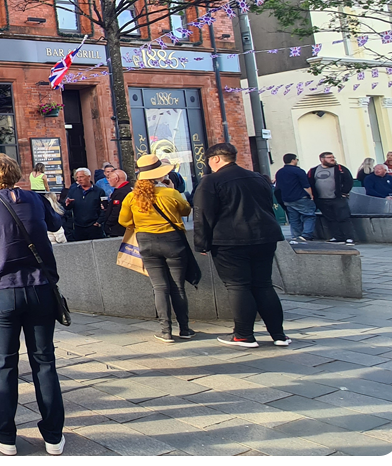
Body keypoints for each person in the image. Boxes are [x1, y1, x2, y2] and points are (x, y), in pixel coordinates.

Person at [0, 154, 66, 457]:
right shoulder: (35, 199)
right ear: (16, 174)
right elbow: (56, 222)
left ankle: (5, 436)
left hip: (1, 290)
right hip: (40, 288)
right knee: (44, 361)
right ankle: (53, 436)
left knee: (4, 362)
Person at [193, 143, 290, 349]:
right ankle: (279, 334)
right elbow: (268, 206)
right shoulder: (257, 177)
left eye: (209, 160)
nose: (209, 165)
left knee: (238, 285)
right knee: (264, 284)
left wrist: (201, 243)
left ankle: (244, 335)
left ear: (216, 159)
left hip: (230, 240)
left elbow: (203, 214)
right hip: (265, 236)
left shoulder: (211, 181)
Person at [119, 155, 194, 343]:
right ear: (160, 174)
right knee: (178, 286)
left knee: (160, 287)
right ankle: (184, 329)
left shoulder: (131, 196)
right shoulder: (170, 193)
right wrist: (172, 190)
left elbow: (124, 221)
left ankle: (165, 331)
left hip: (146, 241)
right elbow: (186, 210)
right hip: (173, 240)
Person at [307, 152, 356, 245]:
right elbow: (309, 182)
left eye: (333, 157)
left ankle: (349, 237)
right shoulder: (313, 170)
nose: (332, 159)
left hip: (338, 198)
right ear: (322, 159)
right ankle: (337, 237)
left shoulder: (341, 169)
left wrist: (344, 192)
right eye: (329, 157)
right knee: (330, 219)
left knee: (343, 218)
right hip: (322, 199)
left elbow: (348, 180)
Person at [274, 153, 316, 243]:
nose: (297, 161)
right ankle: (306, 235)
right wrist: (311, 195)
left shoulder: (279, 172)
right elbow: (305, 185)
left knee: (293, 219)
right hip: (301, 197)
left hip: (287, 199)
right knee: (309, 216)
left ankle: (296, 236)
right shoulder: (298, 171)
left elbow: (278, 187)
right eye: (296, 159)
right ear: (293, 160)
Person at [65, 168, 106, 241]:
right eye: (77, 178)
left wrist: (99, 222)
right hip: (79, 227)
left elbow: (104, 208)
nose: (79, 180)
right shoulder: (73, 191)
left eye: (81, 177)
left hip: (94, 226)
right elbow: (67, 208)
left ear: (89, 177)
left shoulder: (99, 191)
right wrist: (68, 204)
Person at [99, 170, 133, 238]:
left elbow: (116, 211)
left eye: (109, 178)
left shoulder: (121, 193)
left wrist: (108, 224)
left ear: (116, 179)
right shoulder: (127, 189)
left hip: (119, 229)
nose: (108, 180)